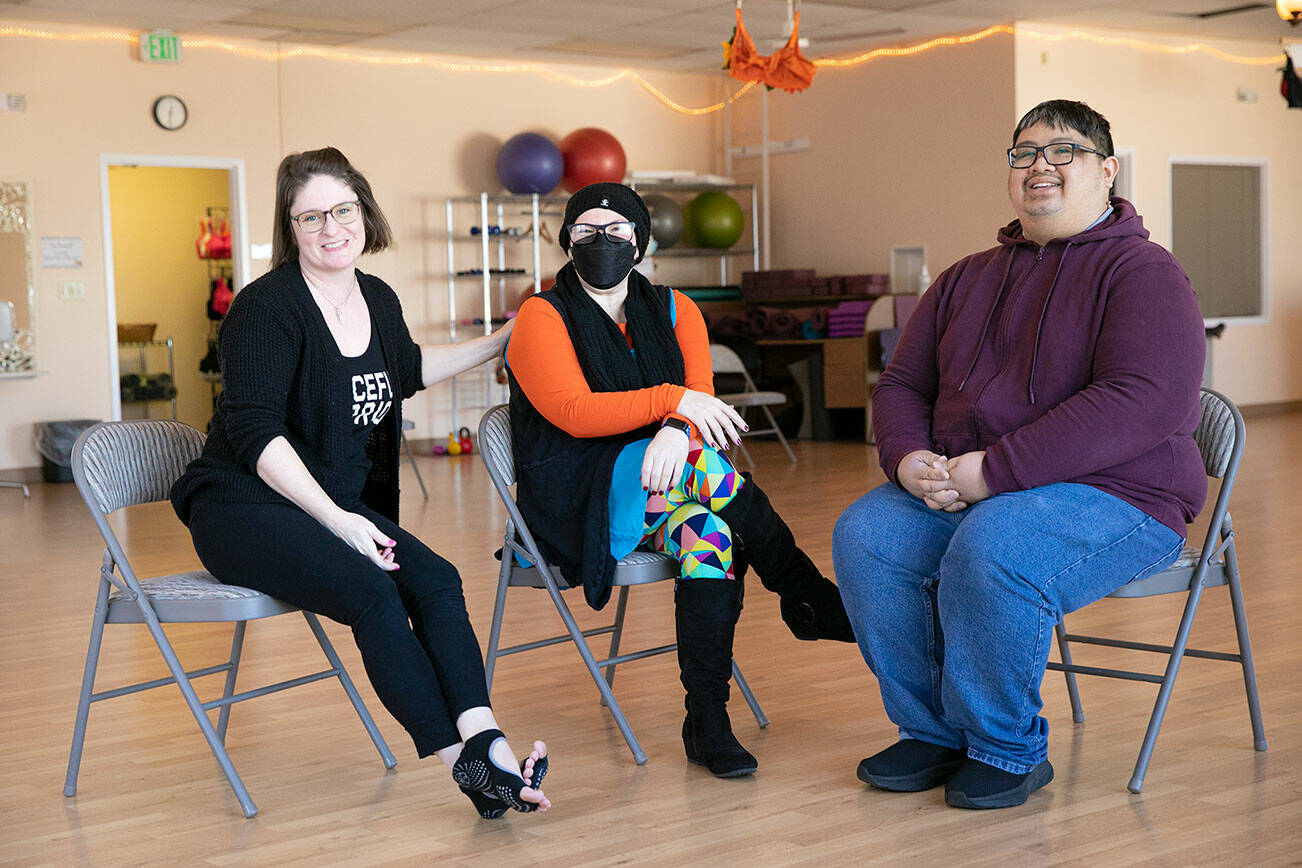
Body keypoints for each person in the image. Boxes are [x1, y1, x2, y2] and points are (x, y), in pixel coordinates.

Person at [833, 100, 1206, 809]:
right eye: (1024, 152)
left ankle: (1006, 748)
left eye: (1064, 151)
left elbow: (1142, 399)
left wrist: (991, 473)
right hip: (972, 484)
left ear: (1107, 172)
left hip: (1123, 496)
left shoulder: (1143, 272)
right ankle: (932, 731)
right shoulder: (967, 278)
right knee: (869, 533)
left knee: (996, 543)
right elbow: (906, 383)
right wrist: (908, 457)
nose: (1040, 165)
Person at [170, 147, 550, 819]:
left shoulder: (375, 295)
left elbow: (405, 369)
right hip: (241, 506)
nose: (330, 228)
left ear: (364, 212)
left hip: (325, 503)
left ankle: (486, 741)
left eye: (342, 210)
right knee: (373, 593)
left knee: (435, 580)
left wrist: (503, 338)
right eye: (309, 216)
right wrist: (341, 520)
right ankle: (461, 767)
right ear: (291, 230)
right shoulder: (266, 310)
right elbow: (257, 436)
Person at [505, 182, 854, 779]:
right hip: (577, 491)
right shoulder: (542, 315)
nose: (601, 241)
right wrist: (674, 405)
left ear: (640, 241)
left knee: (710, 537)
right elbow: (574, 412)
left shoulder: (676, 308)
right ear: (567, 241)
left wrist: (675, 428)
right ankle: (807, 594)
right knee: (708, 468)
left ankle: (707, 722)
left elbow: (705, 411)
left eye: (616, 231)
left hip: (669, 484)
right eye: (585, 231)